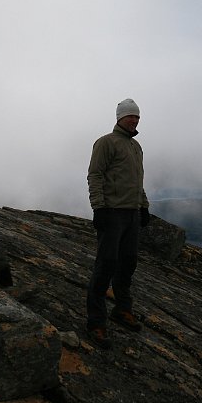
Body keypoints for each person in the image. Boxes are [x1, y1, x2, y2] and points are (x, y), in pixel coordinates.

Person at [85, 98, 151, 349]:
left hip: (131, 213)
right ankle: (95, 322)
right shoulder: (106, 142)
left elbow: (137, 181)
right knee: (106, 265)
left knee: (128, 263)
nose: (134, 120)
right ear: (119, 118)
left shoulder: (136, 147)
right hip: (111, 213)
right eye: (130, 116)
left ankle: (122, 309)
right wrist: (98, 207)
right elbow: (95, 175)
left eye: (137, 117)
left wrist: (143, 206)